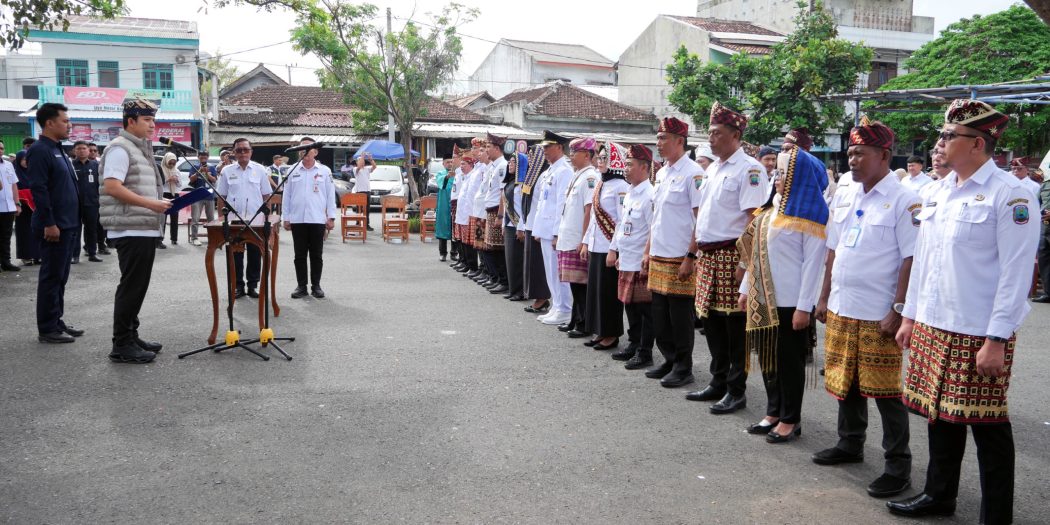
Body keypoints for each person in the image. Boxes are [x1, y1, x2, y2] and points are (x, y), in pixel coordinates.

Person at [888, 100, 1036, 524]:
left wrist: (997, 339)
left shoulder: (1011, 194)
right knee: (939, 415)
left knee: (987, 424)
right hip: (935, 322)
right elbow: (924, 260)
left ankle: (996, 515)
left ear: (976, 143)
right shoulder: (936, 190)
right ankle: (939, 494)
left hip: (977, 329)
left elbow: (1015, 273)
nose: (940, 143)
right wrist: (910, 316)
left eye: (949, 136)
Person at [812, 117, 918, 499]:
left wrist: (899, 308)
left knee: (886, 392)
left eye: (861, 153)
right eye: (850, 153)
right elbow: (833, 250)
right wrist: (824, 296)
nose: (852, 160)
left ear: (884, 155)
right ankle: (850, 443)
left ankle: (897, 466)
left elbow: (911, 259)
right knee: (847, 382)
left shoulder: (905, 199)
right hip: (843, 304)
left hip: (879, 311)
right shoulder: (845, 193)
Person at [737, 144, 827, 443]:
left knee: (789, 362)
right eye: (776, 172)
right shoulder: (769, 209)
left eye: (784, 172)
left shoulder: (811, 215)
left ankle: (791, 418)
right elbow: (755, 255)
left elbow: (814, 266)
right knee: (767, 358)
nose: (776, 176)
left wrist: (805, 307)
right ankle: (773, 411)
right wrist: (744, 289)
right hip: (763, 296)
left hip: (791, 302)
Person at [686, 102, 769, 408]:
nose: (711, 138)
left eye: (717, 133)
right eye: (709, 132)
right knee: (712, 323)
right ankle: (717, 380)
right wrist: (693, 254)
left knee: (734, 327)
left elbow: (754, 220)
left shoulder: (749, 169)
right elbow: (704, 217)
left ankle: (736, 390)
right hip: (708, 255)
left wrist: (746, 263)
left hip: (731, 255)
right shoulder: (713, 170)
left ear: (735, 134)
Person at [98, 97, 172, 363]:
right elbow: (113, 187)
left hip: (142, 226)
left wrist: (159, 202)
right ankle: (122, 344)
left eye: (153, 119)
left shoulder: (139, 149)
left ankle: (131, 334)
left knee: (137, 286)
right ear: (131, 121)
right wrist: (152, 203)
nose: (153, 125)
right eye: (147, 120)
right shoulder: (120, 149)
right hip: (130, 227)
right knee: (131, 287)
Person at [643, 116, 704, 388]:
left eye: (663, 138)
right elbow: (656, 216)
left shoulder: (693, 173)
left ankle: (683, 366)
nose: (659, 143)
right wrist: (647, 251)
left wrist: (691, 256)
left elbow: (699, 220)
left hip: (680, 255)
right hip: (659, 253)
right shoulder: (663, 171)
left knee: (680, 316)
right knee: (660, 313)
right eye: (658, 138)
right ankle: (668, 359)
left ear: (680, 141)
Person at [27, 103, 84, 344]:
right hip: (54, 226)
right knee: (51, 276)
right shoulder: (40, 150)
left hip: (68, 224)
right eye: (64, 120)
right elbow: (38, 189)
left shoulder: (59, 149)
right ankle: (47, 328)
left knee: (60, 276)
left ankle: (56, 320)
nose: (68, 124)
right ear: (49, 123)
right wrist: (49, 222)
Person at [609, 144, 656, 368]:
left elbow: (653, 229)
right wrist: (617, 251)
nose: (625, 169)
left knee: (644, 309)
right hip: (627, 258)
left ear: (644, 167)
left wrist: (646, 256)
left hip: (640, 260)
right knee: (630, 305)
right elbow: (622, 225)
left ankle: (645, 351)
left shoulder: (650, 194)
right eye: (625, 164)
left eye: (630, 165)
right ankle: (633, 343)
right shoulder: (630, 192)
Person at [582, 142, 630, 350]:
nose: (600, 162)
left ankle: (611, 333)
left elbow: (621, 220)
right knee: (595, 292)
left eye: (604, 158)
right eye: (599, 158)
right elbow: (594, 218)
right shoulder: (601, 183)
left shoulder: (621, 186)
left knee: (608, 295)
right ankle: (599, 330)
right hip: (596, 245)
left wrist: (613, 248)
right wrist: (585, 242)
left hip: (609, 247)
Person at [217, 138, 272, 298]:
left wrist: (266, 218)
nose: (242, 153)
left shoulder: (260, 170)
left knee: (255, 253)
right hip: (234, 219)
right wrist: (221, 218)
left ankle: (253, 285)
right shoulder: (227, 171)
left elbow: (266, 195)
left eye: (245, 150)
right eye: (239, 150)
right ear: (234, 152)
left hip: (256, 219)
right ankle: (238, 286)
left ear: (251, 152)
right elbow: (221, 196)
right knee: (235, 254)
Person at [557, 137, 600, 338]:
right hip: (569, 235)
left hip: (577, 238)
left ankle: (584, 323)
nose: (571, 155)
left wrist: (583, 240)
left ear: (587, 155)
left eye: (575, 152)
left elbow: (588, 210)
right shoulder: (578, 175)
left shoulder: (591, 177)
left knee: (581, 283)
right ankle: (576, 318)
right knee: (574, 284)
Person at [282, 137, 336, 299]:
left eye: (308, 148)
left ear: (316, 151)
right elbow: (287, 195)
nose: (304, 151)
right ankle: (301, 286)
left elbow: (330, 195)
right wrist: (286, 217)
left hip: (317, 219)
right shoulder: (292, 170)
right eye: (301, 148)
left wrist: (331, 217)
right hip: (297, 219)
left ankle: (316, 286)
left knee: (316, 255)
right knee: (299, 255)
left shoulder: (324, 171)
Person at [532, 131, 574, 326]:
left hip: (554, 230)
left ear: (559, 147)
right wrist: (538, 230)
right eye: (543, 147)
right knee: (550, 270)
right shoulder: (550, 170)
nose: (545, 151)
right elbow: (542, 202)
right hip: (545, 228)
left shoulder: (564, 170)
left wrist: (557, 232)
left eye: (548, 147)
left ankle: (565, 308)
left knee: (558, 272)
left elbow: (561, 204)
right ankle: (557, 305)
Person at [519, 145, 551, 313]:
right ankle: (537, 297)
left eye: (533, 156)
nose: (530, 159)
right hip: (530, 224)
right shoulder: (532, 176)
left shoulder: (543, 176)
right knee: (532, 265)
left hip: (539, 227)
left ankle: (542, 298)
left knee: (539, 266)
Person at [482, 133, 509, 294]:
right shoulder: (494, 166)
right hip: (490, 210)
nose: (486, 150)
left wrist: (500, 215)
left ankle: (503, 281)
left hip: (495, 211)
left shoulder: (502, 166)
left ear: (497, 148)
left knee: (498, 249)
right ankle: (498, 279)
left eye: (489, 147)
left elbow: (502, 193)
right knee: (491, 248)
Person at [70, 141, 102, 263]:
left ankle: (92, 253)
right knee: (75, 230)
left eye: (84, 148)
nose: (82, 150)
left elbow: (101, 184)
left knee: (92, 229)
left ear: (88, 151)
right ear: (74, 151)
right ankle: (75, 255)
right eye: (79, 148)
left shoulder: (96, 165)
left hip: (92, 203)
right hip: (75, 204)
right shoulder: (71, 165)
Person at [501, 150, 527, 299]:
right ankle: (513, 289)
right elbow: (506, 205)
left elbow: (524, 208)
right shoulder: (510, 182)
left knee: (517, 260)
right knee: (510, 260)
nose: (510, 164)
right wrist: (505, 224)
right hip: (509, 224)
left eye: (514, 162)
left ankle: (520, 291)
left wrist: (521, 227)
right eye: (510, 162)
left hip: (518, 226)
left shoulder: (522, 184)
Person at [454, 148, 481, 277]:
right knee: (463, 240)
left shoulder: (473, 176)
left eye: (464, 164)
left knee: (469, 242)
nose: (461, 167)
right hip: (462, 213)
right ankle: (465, 262)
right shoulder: (465, 177)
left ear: (471, 164)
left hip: (470, 213)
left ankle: (472, 266)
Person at [14, 137, 40, 266]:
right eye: (24, 159)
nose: (26, 162)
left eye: (28, 159)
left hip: (36, 207)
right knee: (25, 232)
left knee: (37, 231)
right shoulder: (15, 173)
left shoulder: (35, 172)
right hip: (23, 209)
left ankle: (37, 255)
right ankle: (26, 256)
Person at [188, 150, 217, 246]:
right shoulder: (194, 167)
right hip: (197, 195)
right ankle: (194, 238)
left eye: (205, 155)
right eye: (201, 155)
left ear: (208, 157)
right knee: (195, 218)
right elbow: (191, 179)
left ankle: (212, 238)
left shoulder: (212, 167)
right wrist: (199, 172)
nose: (203, 157)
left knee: (211, 219)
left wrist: (207, 173)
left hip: (209, 195)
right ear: (198, 156)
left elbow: (214, 180)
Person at [0, 142, 20, 271]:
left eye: (1, 148)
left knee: (6, 236)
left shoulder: (8, 165)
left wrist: (17, 203)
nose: (0, 150)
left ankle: (6, 261)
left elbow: (14, 185)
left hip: (8, 206)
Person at [159, 152, 181, 247]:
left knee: (175, 217)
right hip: (164, 194)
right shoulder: (161, 170)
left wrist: (176, 180)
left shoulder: (177, 170)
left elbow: (180, 185)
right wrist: (168, 179)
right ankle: (160, 239)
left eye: (173, 163)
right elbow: (159, 184)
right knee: (162, 218)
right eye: (170, 163)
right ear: (166, 161)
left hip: (174, 194)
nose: (172, 165)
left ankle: (174, 239)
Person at [435, 156, 455, 262]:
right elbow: (440, 184)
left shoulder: (457, 174)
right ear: (443, 164)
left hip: (455, 205)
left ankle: (454, 253)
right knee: (443, 229)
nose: (450, 164)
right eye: (448, 162)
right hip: (443, 205)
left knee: (454, 229)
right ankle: (442, 253)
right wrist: (447, 176)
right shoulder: (440, 174)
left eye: (452, 162)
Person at [354, 152, 375, 231]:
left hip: (367, 191)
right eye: (359, 161)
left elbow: (374, 167)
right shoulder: (355, 169)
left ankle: (367, 224)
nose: (362, 162)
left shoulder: (367, 169)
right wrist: (362, 157)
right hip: (359, 191)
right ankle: (358, 223)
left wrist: (370, 159)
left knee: (367, 209)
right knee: (358, 208)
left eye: (362, 161)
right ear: (357, 162)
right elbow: (359, 167)